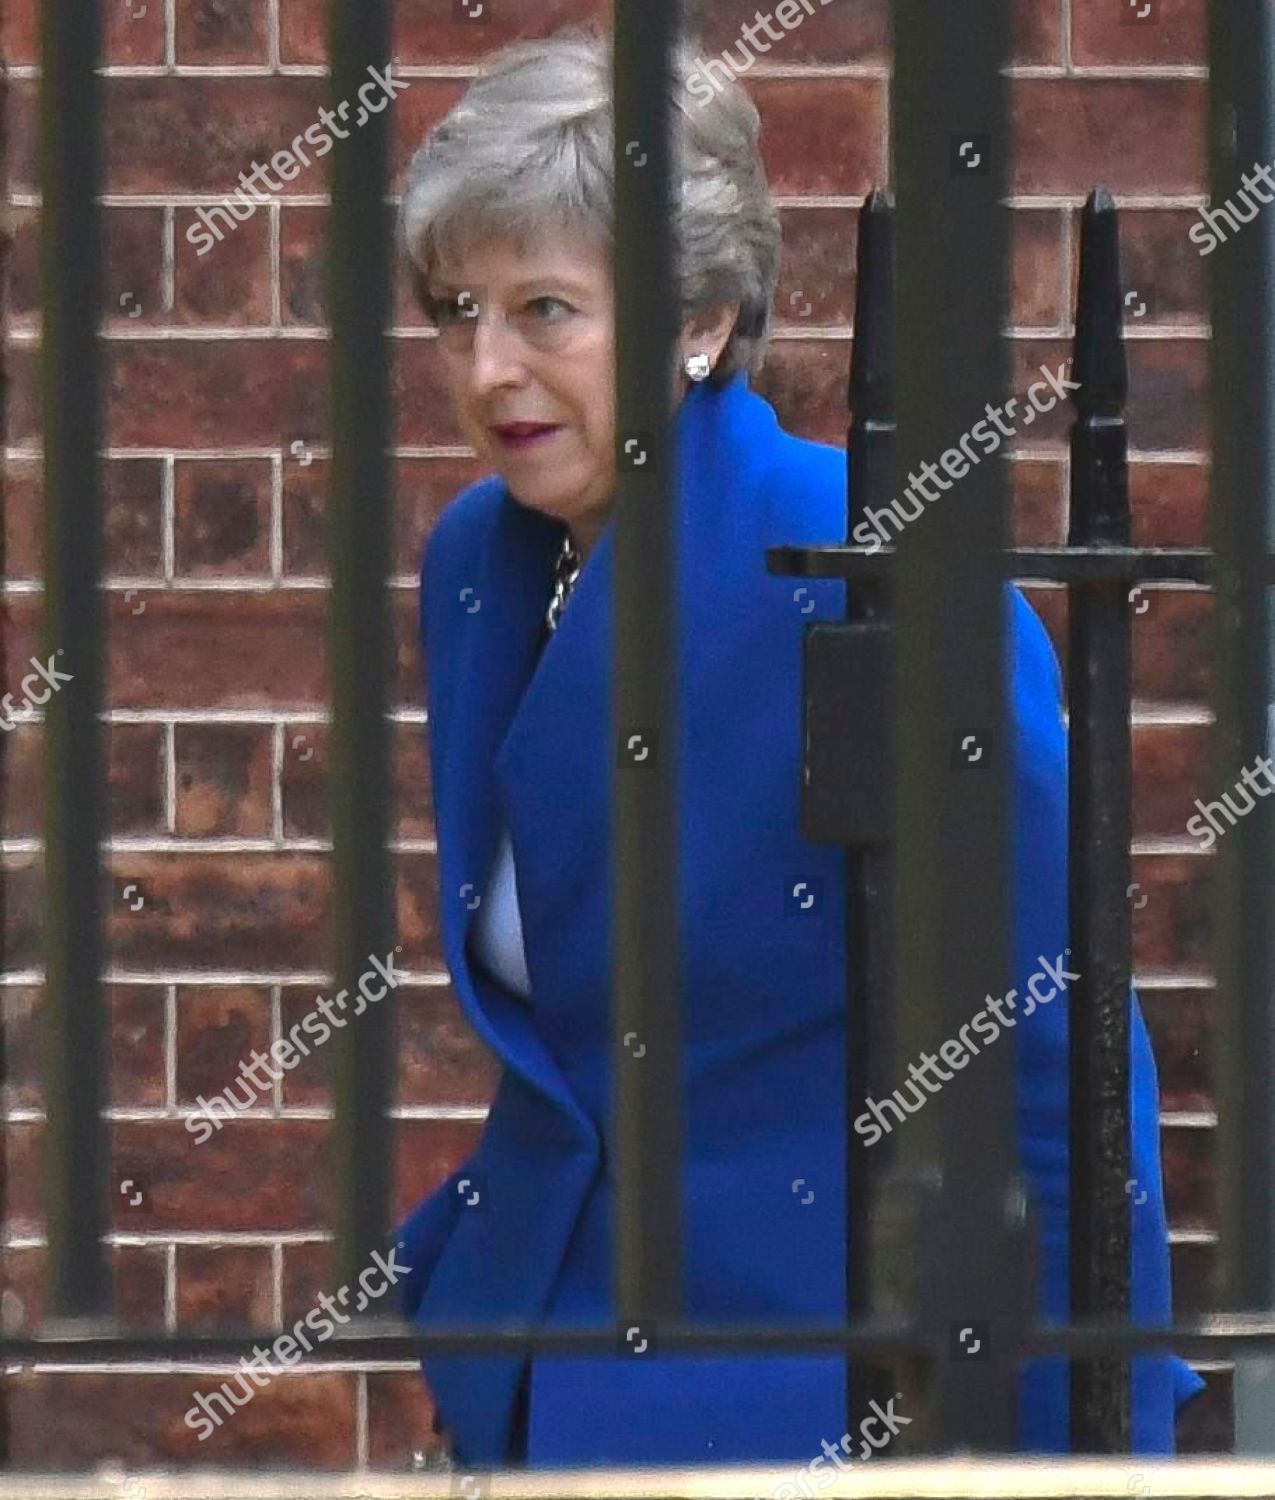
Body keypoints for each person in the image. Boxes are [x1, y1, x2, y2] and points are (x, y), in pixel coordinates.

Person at [393, 25, 1204, 1468]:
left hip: (801, 1390)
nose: (489, 366)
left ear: (701, 322)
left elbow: (1049, 1041)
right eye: (459, 311)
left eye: (547, 309)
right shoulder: (479, 564)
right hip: (537, 1358)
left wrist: (1092, 1424)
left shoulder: (865, 558)